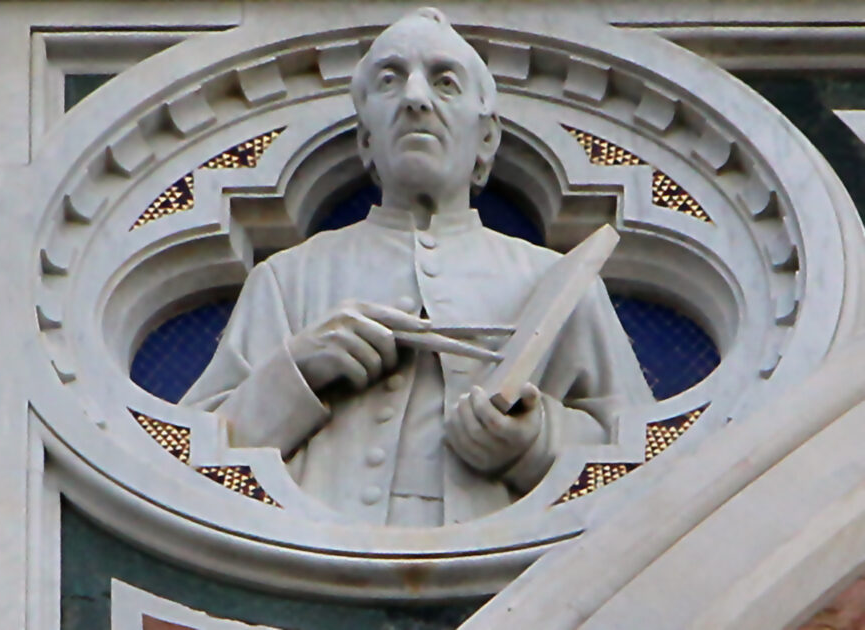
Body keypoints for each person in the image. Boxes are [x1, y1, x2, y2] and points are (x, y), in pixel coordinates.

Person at [181, 7, 653, 527]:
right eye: (389, 81)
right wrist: (299, 369)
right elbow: (192, 462)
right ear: (365, 139)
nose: (414, 98)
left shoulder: (558, 281)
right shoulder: (288, 277)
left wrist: (533, 438)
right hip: (319, 555)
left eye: (445, 83)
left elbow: (640, 460)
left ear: (487, 138)